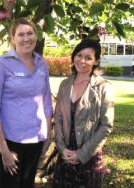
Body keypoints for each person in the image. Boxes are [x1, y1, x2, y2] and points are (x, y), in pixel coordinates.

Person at [0, 17, 53, 188]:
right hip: (10, 141)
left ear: (36, 36)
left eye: (30, 33)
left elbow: (46, 100)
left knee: (27, 184)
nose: (26, 38)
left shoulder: (41, 64)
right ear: (13, 39)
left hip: (36, 139)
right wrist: (3, 150)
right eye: (21, 34)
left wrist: (48, 134)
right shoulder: (1, 64)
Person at [52, 39, 114, 188]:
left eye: (88, 57)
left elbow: (106, 126)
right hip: (65, 156)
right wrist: (62, 148)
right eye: (79, 55)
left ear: (96, 61)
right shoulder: (65, 84)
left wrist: (81, 154)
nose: (82, 60)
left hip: (89, 158)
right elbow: (58, 118)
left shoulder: (103, 87)